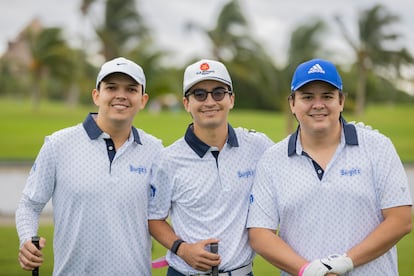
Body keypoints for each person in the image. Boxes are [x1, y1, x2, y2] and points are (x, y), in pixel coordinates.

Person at [246, 58, 412, 276]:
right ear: (292, 103)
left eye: (327, 96)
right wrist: (307, 270)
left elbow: (401, 219)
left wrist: (346, 261)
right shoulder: (272, 160)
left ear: (341, 101)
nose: (318, 105)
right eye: (307, 97)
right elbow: (259, 233)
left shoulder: (377, 147)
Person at [15, 57, 163, 275]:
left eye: (131, 89)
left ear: (143, 100)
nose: (120, 95)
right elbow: (29, 204)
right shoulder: (58, 144)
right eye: (111, 87)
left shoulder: (156, 151)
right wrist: (27, 238)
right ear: (96, 95)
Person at [148, 59, 274, 275]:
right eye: (199, 94)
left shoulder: (258, 146)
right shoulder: (167, 159)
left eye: (218, 93)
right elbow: (154, 217)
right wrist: (183, 249)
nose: (209, 101)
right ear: (186, 103)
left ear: (231, 99)